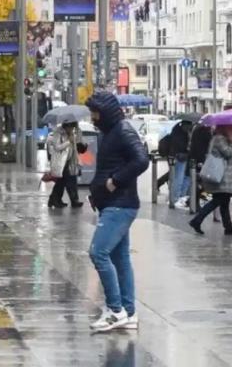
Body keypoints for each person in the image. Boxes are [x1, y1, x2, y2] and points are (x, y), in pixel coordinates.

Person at [85, 92, 148, 332]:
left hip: (119, 204)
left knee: (98, 253)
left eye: (95, 112)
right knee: (119, 258)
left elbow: (141, 160)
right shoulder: (111, 132)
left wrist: (115, 181)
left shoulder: (122, 130)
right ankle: (128, 312)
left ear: (106, 112)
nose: (93, 117)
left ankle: (115, 310)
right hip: (113, 202)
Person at [189, 126, 232, 236]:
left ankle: (228, 227)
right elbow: (228, 153)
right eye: (231, 129)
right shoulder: (219, 139)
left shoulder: (222, 139)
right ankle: (196, 220)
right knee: (218, 200)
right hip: (222, 177)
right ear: (225, 129)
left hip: (225, 178)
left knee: (224, 202)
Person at [46, 120, 85, 209]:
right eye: (71, 128)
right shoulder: (57, 132)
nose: (72, 130)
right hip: (61, 161)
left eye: (73, 128)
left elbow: (78, 142)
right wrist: (68, 142)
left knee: (65, 181)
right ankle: (68, 200)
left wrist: (78, 129)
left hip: (70, 160)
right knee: (65, 181)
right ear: (66, 126)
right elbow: (57, 147)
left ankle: (55, 199)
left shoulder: (73, 132)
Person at [167, 120, 192, 209]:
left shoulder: (176, 131)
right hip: (179, 157)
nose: (189, 128)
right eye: (189, 126)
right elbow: (182, 147)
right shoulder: (180, 134)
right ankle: (175, 198)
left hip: (176, 156)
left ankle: (177, 197)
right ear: (185, 125)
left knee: (179, 177)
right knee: (179, 178)